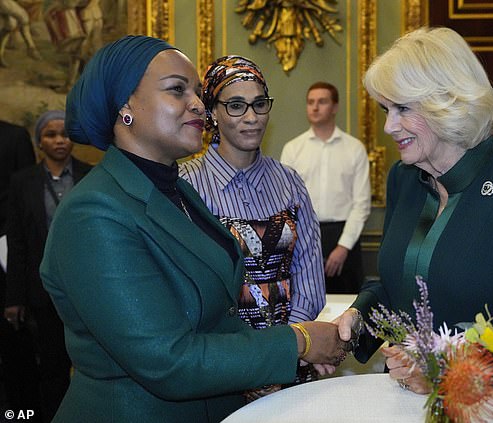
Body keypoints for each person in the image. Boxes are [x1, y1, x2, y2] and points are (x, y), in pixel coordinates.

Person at [39, 35, 347, 423]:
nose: (198, 104)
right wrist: (297, 343)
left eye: (198, 92)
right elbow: (167, 362)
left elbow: (217, 317)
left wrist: (263, 367)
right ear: (125, 106)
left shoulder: (176, 191)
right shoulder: (93, 213)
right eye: (177, 90)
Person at [332, 26, 493, 396]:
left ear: (447, 101)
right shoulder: (404, 178)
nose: (388, 126)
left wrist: (450, 369)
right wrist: (355, 319)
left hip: (492, 406)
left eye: (403, 108)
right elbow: (395, 285)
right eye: (386, 109)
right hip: (404, 400)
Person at [179, 56, 326, 400]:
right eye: (236, 105)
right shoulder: (186, 184)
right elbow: (189, 291)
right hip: (221, 369)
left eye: (259, 104)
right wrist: (250, 362)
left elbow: (310, 279)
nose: (251, 117)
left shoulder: (289, 182)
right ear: (212, 112)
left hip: (292, 363)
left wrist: (287, 350)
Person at [4, 110, 92, 422]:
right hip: (42, 290)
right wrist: (14, 298)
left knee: (91, 365)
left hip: (89, 288)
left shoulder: (90, 175)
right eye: (50, 135)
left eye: (64, 134)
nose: (58, 141)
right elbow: (17, 242)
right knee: (52, 366)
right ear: (39, 141)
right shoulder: (22, 182)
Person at [281, 82, 371, 294]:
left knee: (346, 307)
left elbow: (361, 205)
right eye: (310, 102)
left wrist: (343, 247)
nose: (315, 107)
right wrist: (301, 243)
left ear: (335, 107)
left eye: (322, 101)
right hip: (303, 235)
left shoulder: (354, 148)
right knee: (303, 305)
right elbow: (285, 202)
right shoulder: (293, 149)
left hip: (344, 237)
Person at [0, 119, 38, 420]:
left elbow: (25, 206)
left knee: (16, 343)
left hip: (6, 253)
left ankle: (22, 413)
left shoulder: (13, 137)